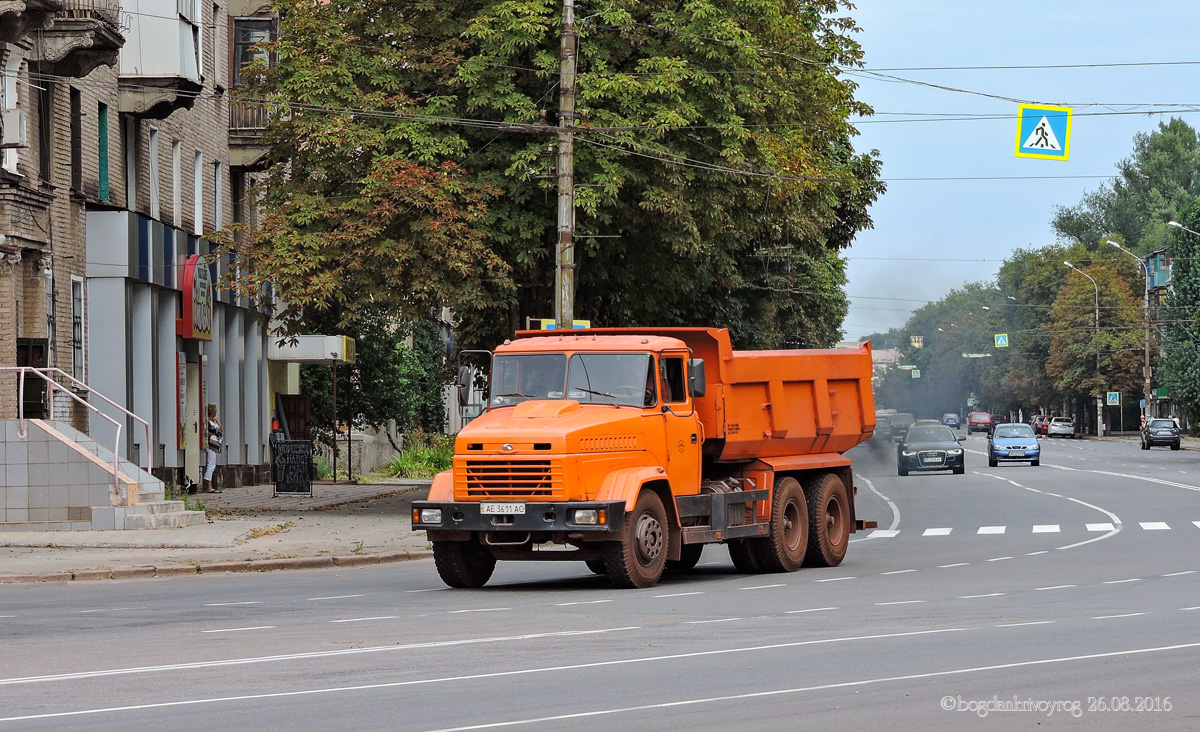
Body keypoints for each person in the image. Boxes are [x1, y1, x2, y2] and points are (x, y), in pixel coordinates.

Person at [204, 403, 223, 493]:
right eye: (215, 410)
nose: (216, 412)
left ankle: (210, 485)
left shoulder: (214, 421)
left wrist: (217, 420)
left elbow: (221, 429)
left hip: (215, 444)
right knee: (211, 465)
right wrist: (211, 435)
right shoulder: (207, 421)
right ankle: (209, 486)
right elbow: (205, 431)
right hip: (210, 445)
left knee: (212, 465)